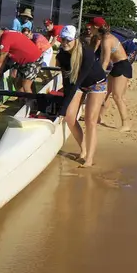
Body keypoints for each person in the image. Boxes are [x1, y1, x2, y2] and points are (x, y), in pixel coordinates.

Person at [56, 25, 107, 168]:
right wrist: (63, 109)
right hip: (79, 85)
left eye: (68, 40)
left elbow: (78, 80)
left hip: (96, 84)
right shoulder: (61, 55)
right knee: (70, 117)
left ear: (75, 39)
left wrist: (63, 108)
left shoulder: (87, 53)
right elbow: (67, 84)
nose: (64, 42)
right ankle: (83, 149)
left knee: (90, 121)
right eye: (62, 39)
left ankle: (89, 158)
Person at [89, 17, 132, 132]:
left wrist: (99, 76)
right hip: (117, 66)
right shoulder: (103, 38)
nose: (89, 28)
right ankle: (100, 117)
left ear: (96, 27)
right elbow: (102, 59)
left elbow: (106, 60)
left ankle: (126, 124)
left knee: (118, 97)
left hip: (123, 66)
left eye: (91, 26)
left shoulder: (107, 39)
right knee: (106, 93)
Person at [0, 25, 43, 94]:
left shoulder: (5, 40)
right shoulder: (9, 32)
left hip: (33, 59)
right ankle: (24, 101)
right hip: (25, 60)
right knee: (18, 84)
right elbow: (4, 59)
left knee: (26, 86)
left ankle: (33, 103)